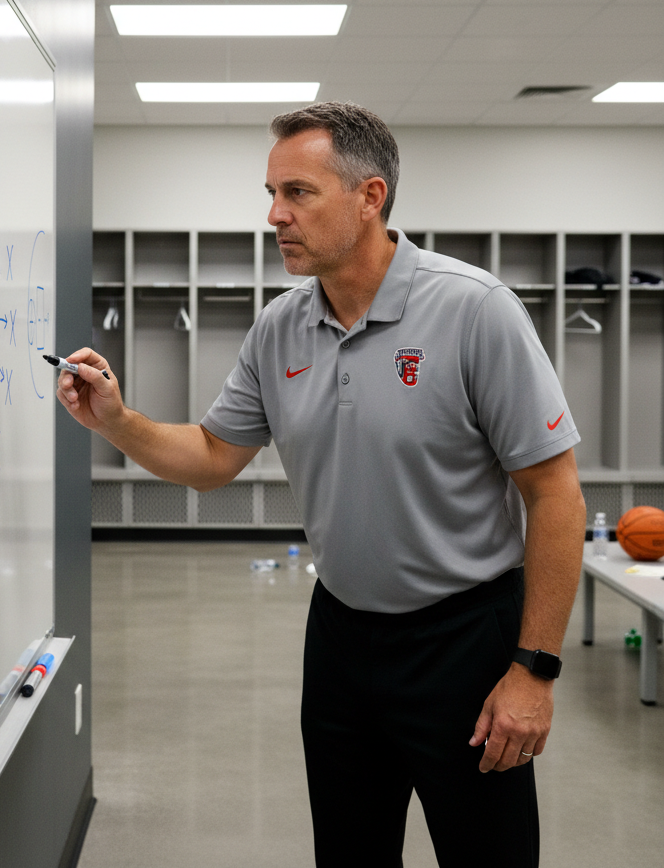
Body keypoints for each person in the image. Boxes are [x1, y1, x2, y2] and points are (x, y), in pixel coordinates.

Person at [57, 101, 587, 867]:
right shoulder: (281, 326)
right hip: (341, 636)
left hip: (466, 641)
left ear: (370, 197)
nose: (275, 216)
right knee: (348, 853)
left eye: (297, 193)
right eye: (270, 194)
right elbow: (212, 457)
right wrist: (116, 420)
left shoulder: (475, 311)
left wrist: (533, 670)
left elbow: (555, 494)